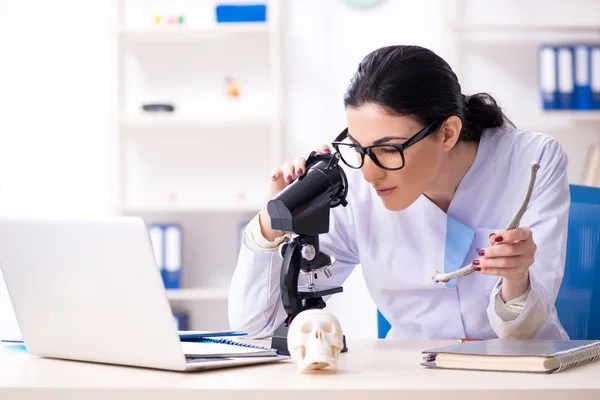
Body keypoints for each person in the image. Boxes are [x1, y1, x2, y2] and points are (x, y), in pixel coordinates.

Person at [228, 45, 570, 341]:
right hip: (413, 374)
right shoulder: (353, 185)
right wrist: (273, 223)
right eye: (358, 147)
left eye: (389, 149)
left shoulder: (532, 162)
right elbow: (256, 326)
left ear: (448, 133)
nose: (369, 172)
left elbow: (523, 333)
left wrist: (515, 277)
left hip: (523, 374)